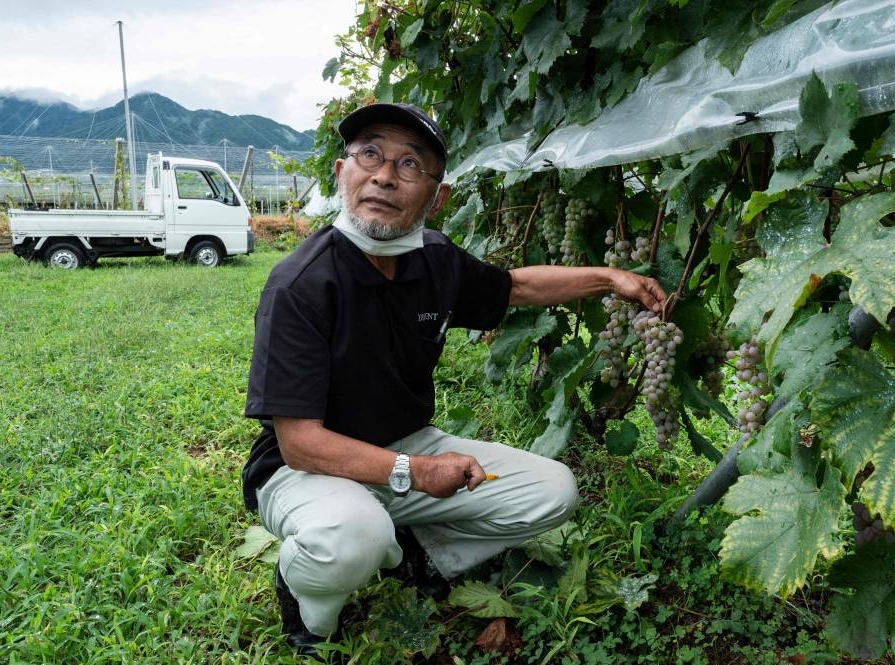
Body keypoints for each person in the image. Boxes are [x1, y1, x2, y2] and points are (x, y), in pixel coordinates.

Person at [241, 103, 666, 656]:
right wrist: (414, 472)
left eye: (410, 164)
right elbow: (300, 442)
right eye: (369, 153)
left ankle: (419, 559)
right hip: (304, 470)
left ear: (437, 197)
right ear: (344, 171)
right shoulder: (299, 284)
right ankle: (308, 609)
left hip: (407, 446)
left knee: (553, 491)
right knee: (351, 536)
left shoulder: (433, 260)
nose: (385, 174)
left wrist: (608, 277)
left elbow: (514, 288)